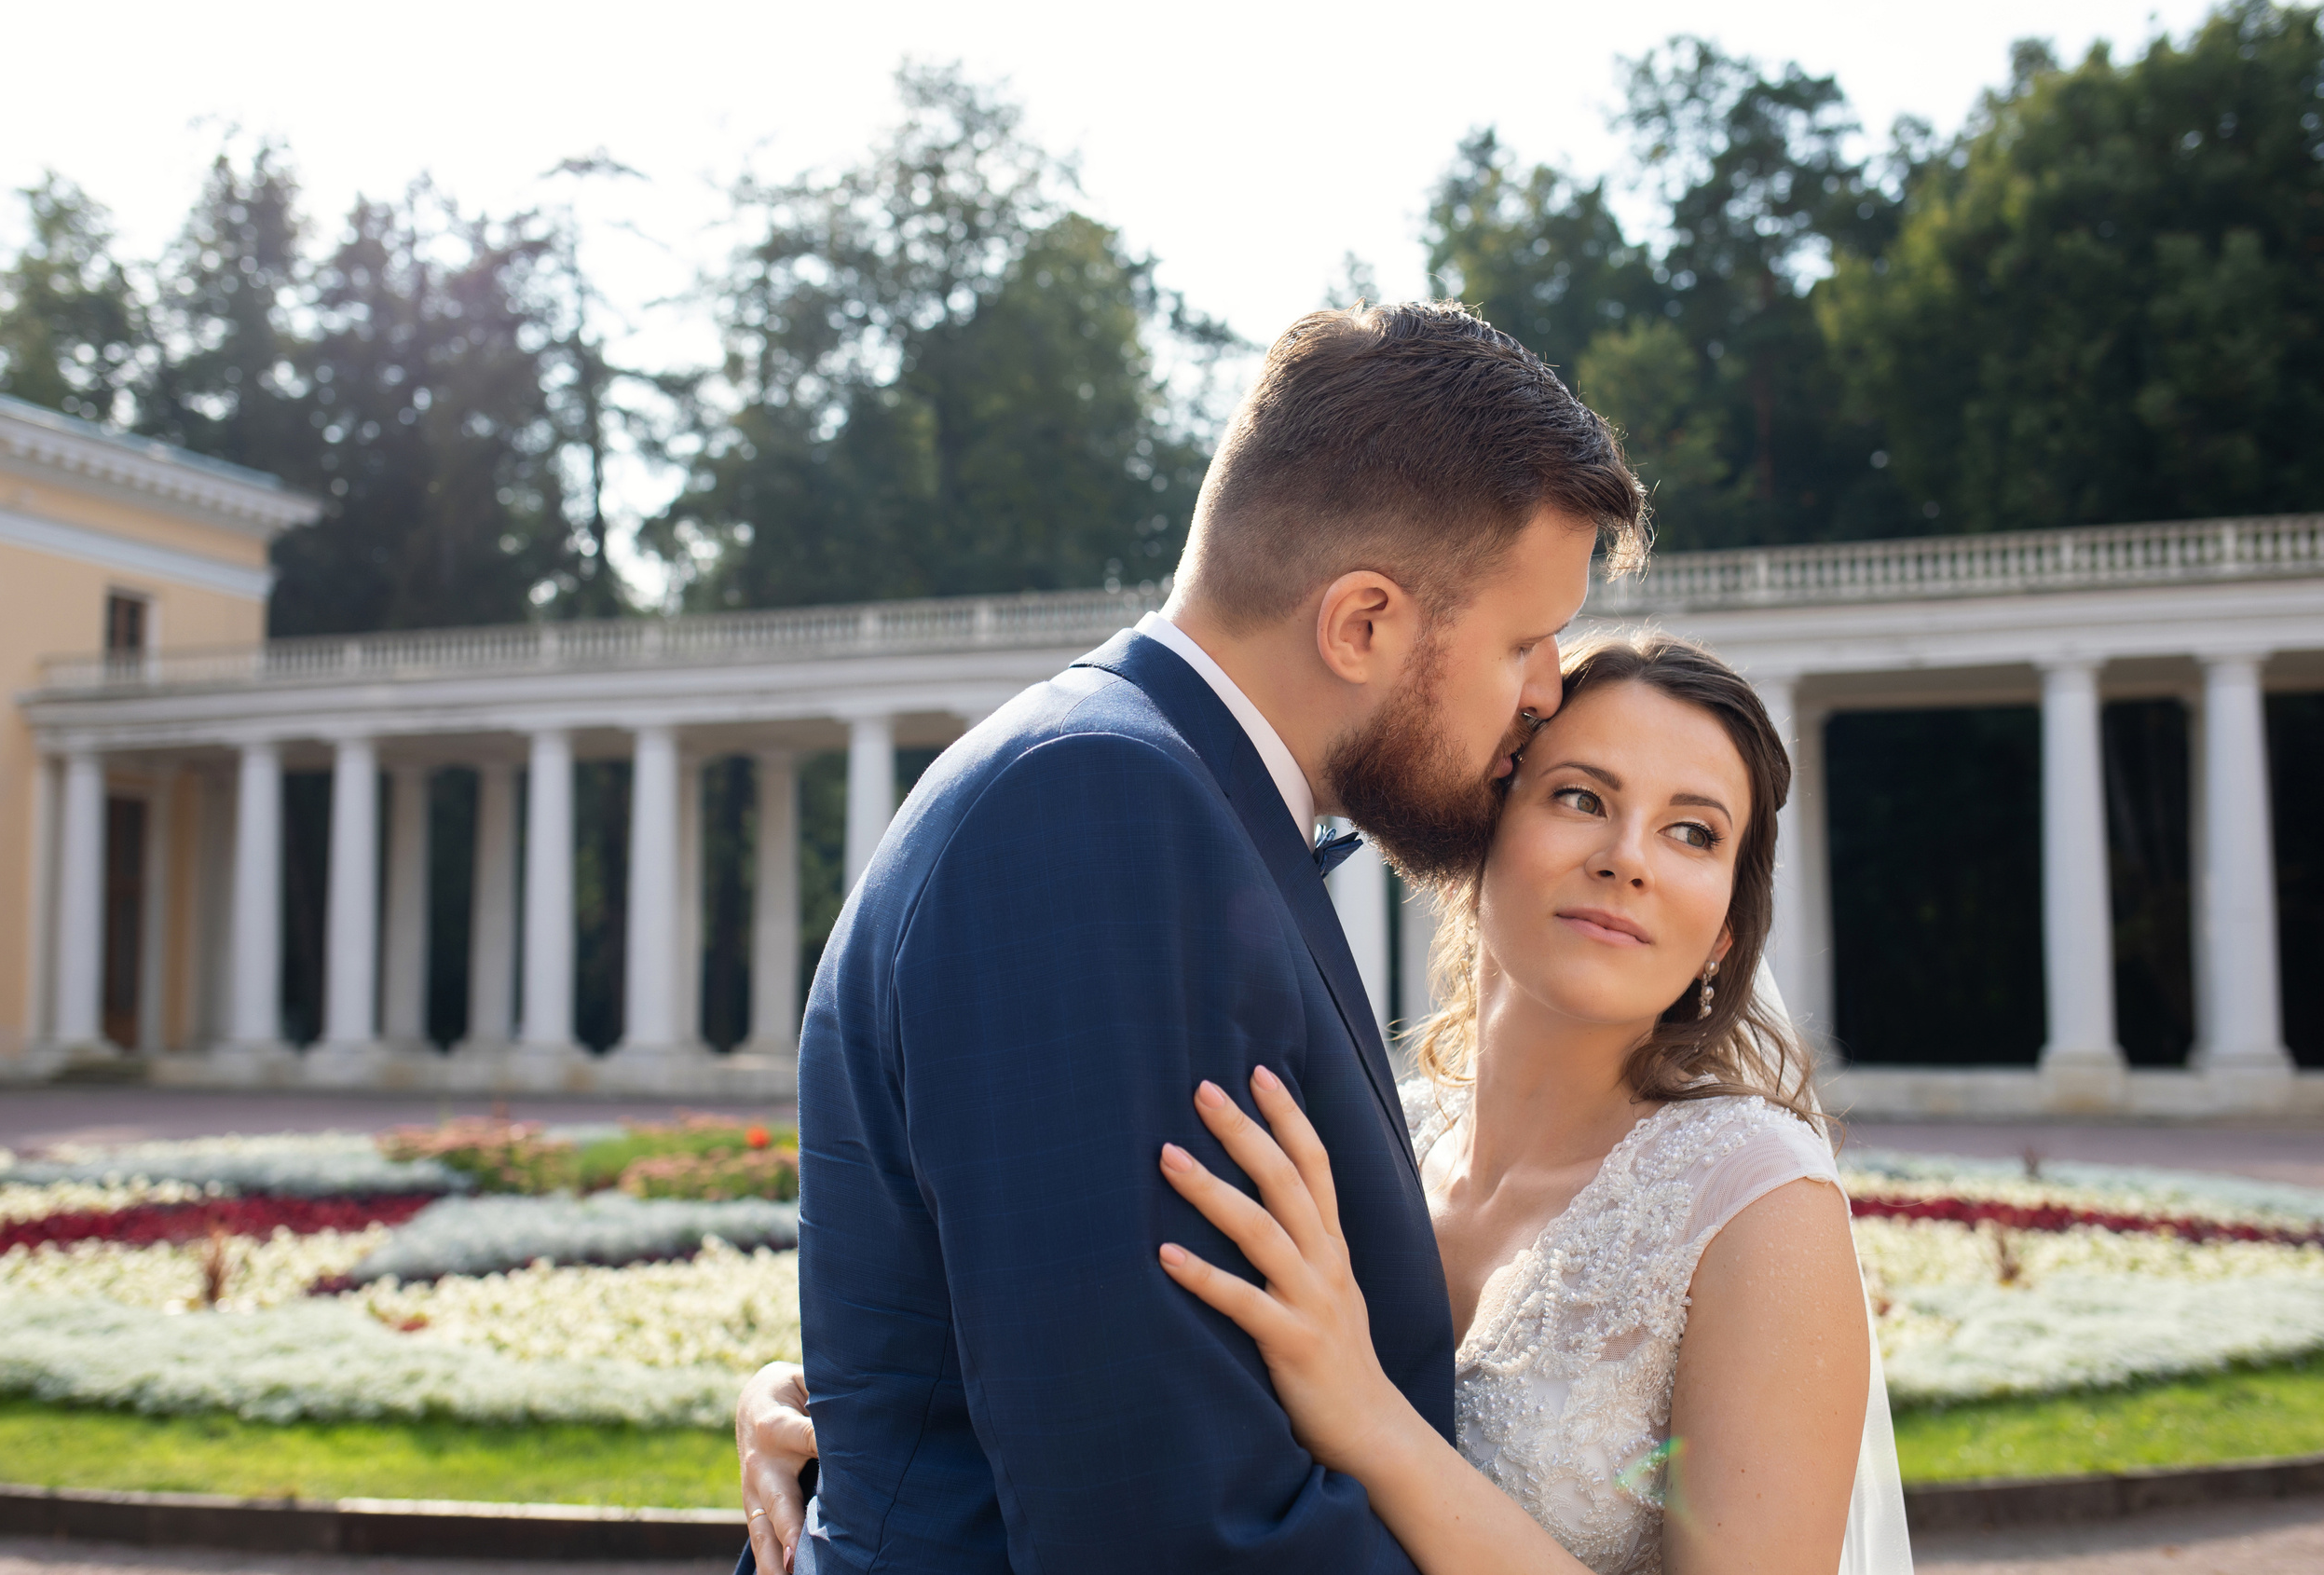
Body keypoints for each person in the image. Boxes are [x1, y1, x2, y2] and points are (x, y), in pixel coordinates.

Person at [741, 300, 1646, 1574]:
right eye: (1524, 638)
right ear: (1365, 623)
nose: (1552, 684)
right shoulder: (1097, 813)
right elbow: (1168, 1531)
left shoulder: (1150, 795)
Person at [742, 634, 1914, 1575]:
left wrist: (1375, 1424)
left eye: (1692, 832)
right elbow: (1102, 1344)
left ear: (1724, 924)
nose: (1628, 857)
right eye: (1578, 796)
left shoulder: (1754, 1197)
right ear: (1481, 829)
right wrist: (840, 1407)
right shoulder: (1362, 1133)